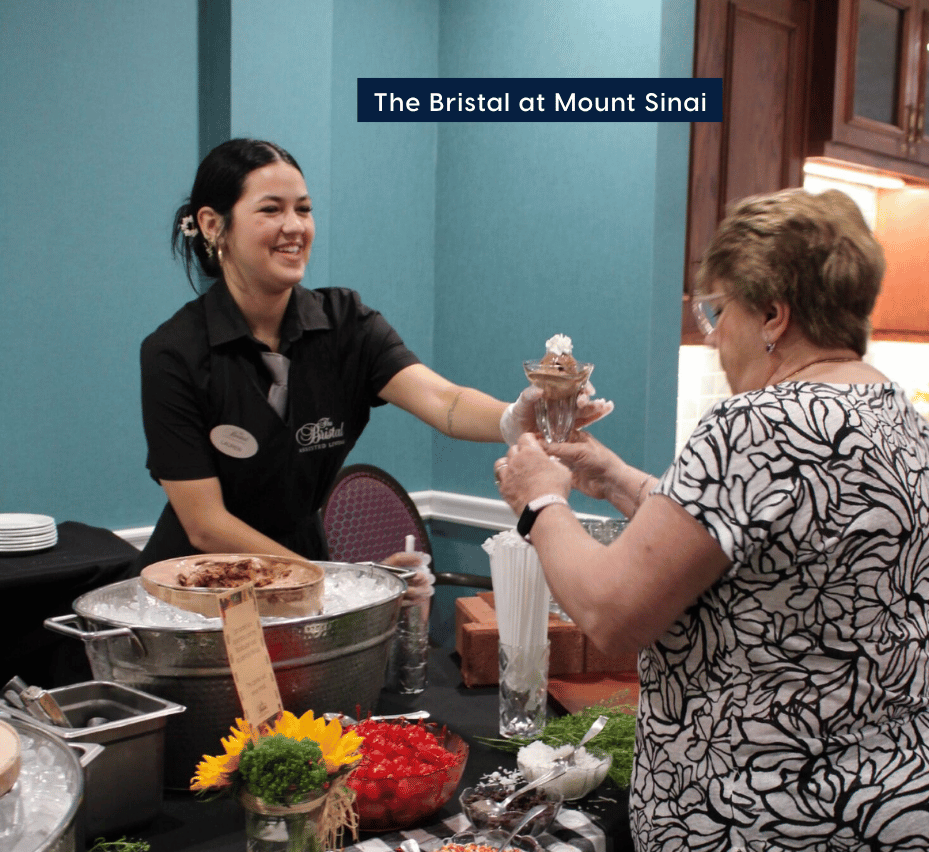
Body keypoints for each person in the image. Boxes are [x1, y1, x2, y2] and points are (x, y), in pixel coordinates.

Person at [496, 189, 929, 852]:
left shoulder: (753, 425)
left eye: (715, 309)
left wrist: (542, 501)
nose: (713, 331)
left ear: (773, 312)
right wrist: (614, 477)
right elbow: (762, 543)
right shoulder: (901, 418)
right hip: (919, 827)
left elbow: (614, 614)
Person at [137, 138, 610, 568]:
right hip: (197, 583)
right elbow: (204, 524)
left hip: (305, 566)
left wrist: (516, 416)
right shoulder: (173, 353)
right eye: (271, 210)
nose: (295, 227)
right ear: (213, 224)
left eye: (304, 209)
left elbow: (443, 401)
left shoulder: (345, 323)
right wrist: (332, 583)